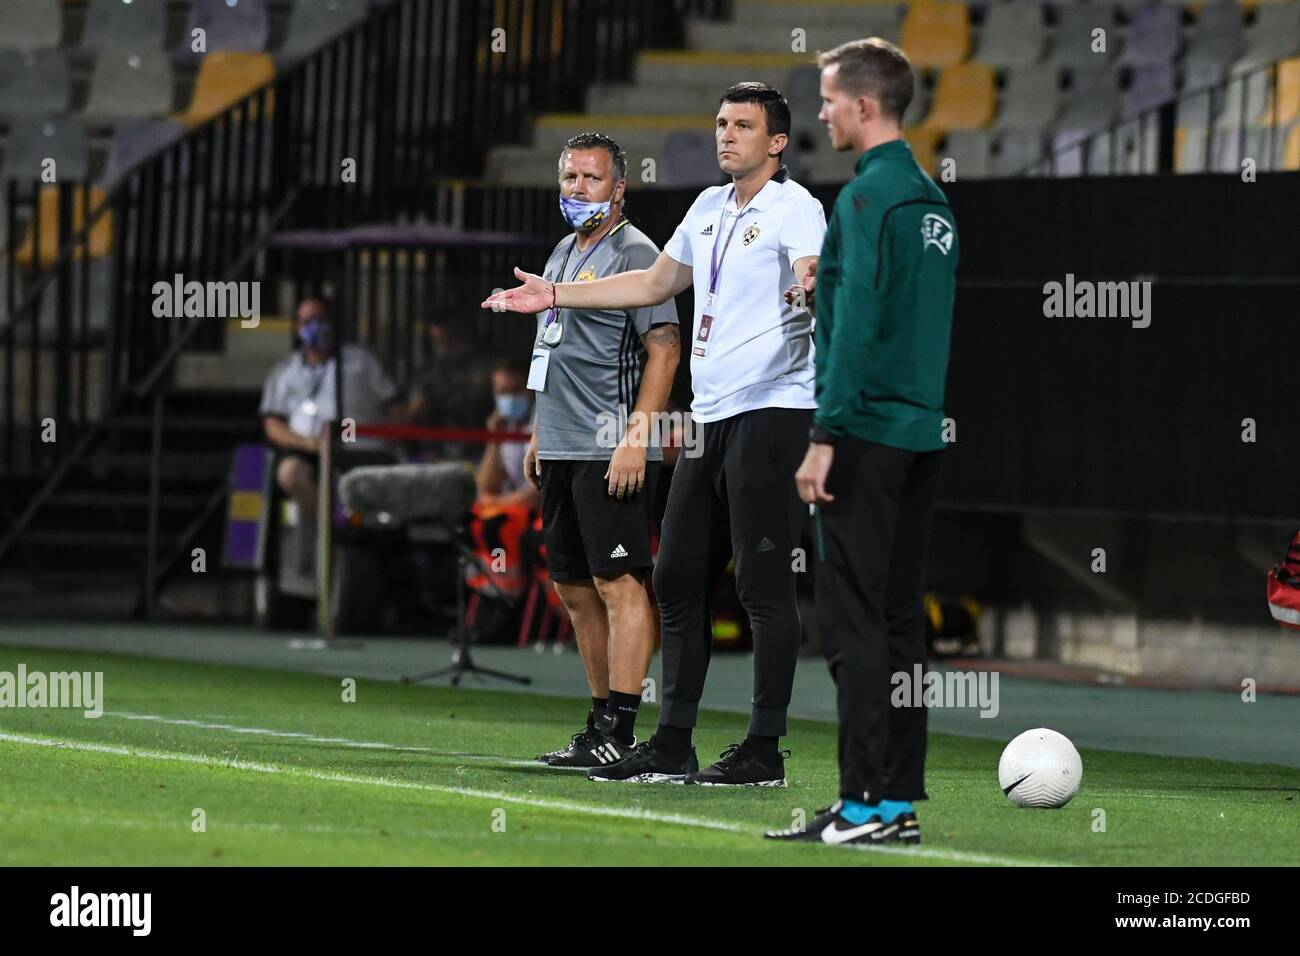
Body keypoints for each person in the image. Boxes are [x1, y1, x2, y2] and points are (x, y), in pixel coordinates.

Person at [484, 84, 825, 786]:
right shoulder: (706, 208)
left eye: (743, 126)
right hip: (709, 416)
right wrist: (555, 294)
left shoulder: (797, 207)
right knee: (673, 577)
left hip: (774, 409)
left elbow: (808, 268)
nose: (726, 135)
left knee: (763, 586)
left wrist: (810, 285)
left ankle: (764, 749)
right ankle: (673, 742)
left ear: (778, 142)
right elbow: (652, 283)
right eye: (721, 122)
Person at [765, 38, 958, 846]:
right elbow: (905, 318)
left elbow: (858, 335)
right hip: (918, 432)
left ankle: (862, 802)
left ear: (865, 106)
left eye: (829, 99)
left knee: (853, 627)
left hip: (863, 431)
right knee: (900, 620)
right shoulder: (931, 199)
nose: (821, 113)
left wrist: (823, 435)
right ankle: (896, 802)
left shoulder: (865, 200)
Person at [503, 132, 681, 768]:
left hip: (609, 446)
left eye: (591, 178)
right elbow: (549, 348)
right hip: (560, 444)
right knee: (575, 588)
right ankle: (600, 722)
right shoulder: (559, 253)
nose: (577, 189)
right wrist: (536, 431)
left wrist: (638, 438)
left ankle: (624, 728)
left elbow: (665, 350)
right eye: (569, 177)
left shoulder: (637, 252)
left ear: (619, 188)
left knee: (620, 581)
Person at [259, 297, 402, 528]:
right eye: (307, 322)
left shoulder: (361, 360)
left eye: (320, 320)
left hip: (360, 446)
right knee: (290, 473)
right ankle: (334, 527)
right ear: (297, 327)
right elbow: (272, 424)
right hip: (311, 450)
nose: (314, 328)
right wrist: (306, 442)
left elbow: (394, 407)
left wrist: (396, 440)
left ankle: (355, 529)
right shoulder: (286, 370)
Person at [475, 355, 540, 511]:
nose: (510, 398)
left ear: (531, 389)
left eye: (516, 390)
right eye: (502, 392)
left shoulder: (544, 423)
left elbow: (538, 495)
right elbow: (486, 487)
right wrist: (494, 439)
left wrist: (494, 503)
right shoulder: (505, 426)